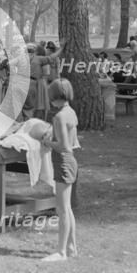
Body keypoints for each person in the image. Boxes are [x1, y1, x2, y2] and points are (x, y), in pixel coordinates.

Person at [39, 78, 80, 262]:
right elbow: (72, 142)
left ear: (54, 96)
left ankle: (61, 251)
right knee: (68, 208)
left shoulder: (59, 117)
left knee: (62, 209)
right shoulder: (71, 112)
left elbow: (64, 146)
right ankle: (72, 246)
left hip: (63, 161)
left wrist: (46, 141)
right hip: (71, 162)